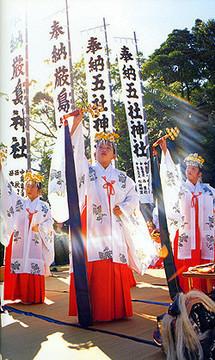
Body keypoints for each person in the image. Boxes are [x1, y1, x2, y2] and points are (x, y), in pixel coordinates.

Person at [48, 109, 156, 322]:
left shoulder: (123, 178)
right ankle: (93, 311)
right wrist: (76, 125)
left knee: (113, 265)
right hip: (92, 227)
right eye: (100, 147)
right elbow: (74, 155)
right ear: (95, 152)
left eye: (108, 148)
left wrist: (124, 207)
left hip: (115, 228)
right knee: (93, 264)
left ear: (114, 154)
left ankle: (116, 310)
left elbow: (134, 197)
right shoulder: (87, 171)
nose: (103, 149)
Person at [158, 137, 215, 293]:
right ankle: (187, 292)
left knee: (206, 261)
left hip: (204, 233)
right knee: (185, 263)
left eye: (193, 169)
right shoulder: (180, 188)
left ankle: (207, 291)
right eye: (188, 168)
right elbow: (169, 178)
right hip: (186, 233)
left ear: (200, 174)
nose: (189, 170)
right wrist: (165, 153)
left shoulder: (209, 191)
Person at [0, 162, 54, 304]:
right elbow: (8, 191)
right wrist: (2, 174)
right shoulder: (20, 203)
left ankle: (33, 296)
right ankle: (19, 295)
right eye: (27, 186)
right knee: (20, 263)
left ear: (39, 191)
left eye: (33, 187)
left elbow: (50, 223)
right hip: (20, 241)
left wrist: (40, 227)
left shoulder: (44, 206)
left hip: (35, 242)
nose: (29, 189)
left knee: (33, 264)